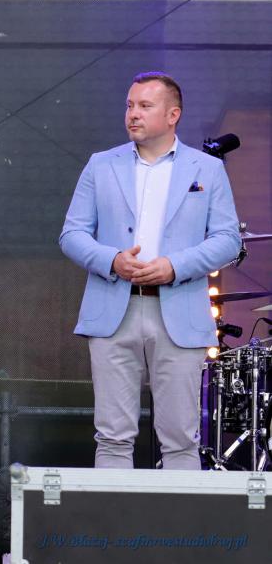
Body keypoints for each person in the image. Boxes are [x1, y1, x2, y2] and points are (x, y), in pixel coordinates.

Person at [59, 71, 240, 470]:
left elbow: (228, 240)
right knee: (112, 437)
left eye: (145, 106)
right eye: (129, 105)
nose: (133, 114)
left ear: (173, 114)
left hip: (179, 311)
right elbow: (71, 234)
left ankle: (182, 516)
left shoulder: (207, 169)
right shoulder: (101, 165)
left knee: (181, 440)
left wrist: (174, 266)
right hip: (113, 309)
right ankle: (112, 515)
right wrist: (112, 260)